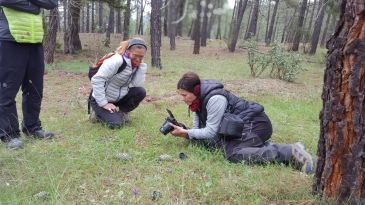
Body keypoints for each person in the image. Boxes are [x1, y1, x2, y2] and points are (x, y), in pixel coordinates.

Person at [170, 72, 315, 173]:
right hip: (241, 126)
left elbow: (210, 132)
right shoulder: (196, 103)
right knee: (216, 145)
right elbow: (198, 131)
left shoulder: (215, 99)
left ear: (195, 91)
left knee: (232, 153)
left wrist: (187, 133)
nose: (182, 98)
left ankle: (291, 152)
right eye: (180, 95)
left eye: (184, 95)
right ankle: (269, 146)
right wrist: (185, 133)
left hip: (256, 123)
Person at [0, 0, 58, 150]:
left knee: (34, 88)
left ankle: (32, 127)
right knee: (7, 90)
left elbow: (52, 3)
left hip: (35, 40)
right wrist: (35, 6)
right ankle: (9, 135)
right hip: (10, 39)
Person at [90, 38, 147, 129]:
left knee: (141, 91)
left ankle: (121, 114)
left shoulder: (136, 64)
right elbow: (97, 79)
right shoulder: (117, 60)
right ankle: (97, 114)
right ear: (128, 51)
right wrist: (104, 103)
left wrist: (142, 66)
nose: (138, 58)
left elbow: (137, 84)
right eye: (136, 55)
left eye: (141, 56)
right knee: (116, 124)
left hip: (118, 98)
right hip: (100, 99)